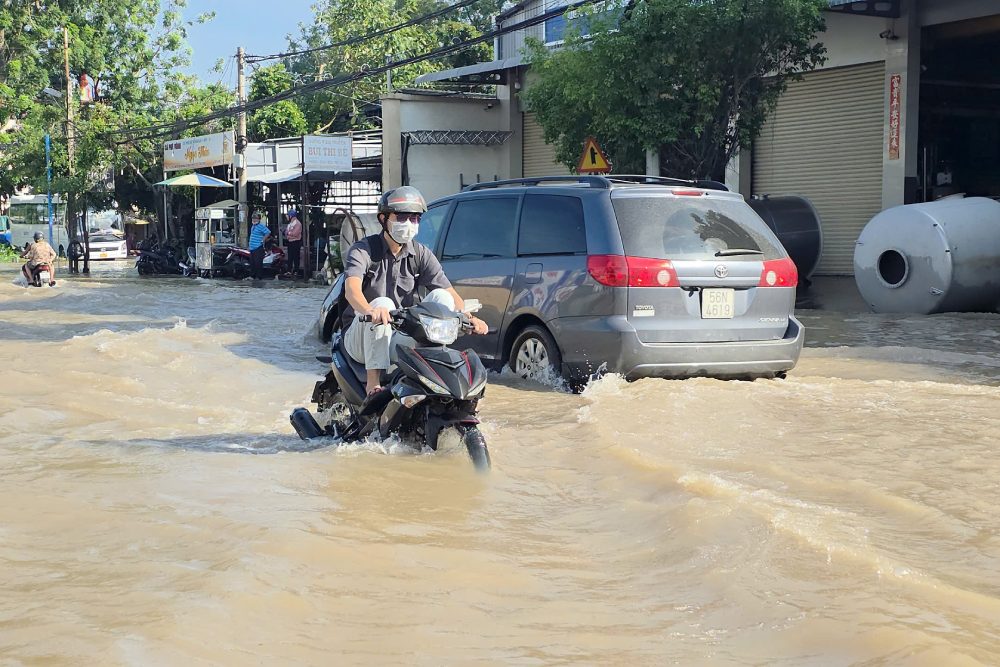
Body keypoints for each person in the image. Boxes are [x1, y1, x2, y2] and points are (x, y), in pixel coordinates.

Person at [342, 186, 488, 396]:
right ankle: (373, 383)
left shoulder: (420, 253)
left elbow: (448, 292)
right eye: (402, 217)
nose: (409, 224)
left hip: (398, 333)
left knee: (441, 298)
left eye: (415, 218)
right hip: (361, 336)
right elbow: (351, 291)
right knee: (383, 304)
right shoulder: (363, 250)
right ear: (383, 219)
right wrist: (369, 310)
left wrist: (468, 317)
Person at [248, 212, 271, 280]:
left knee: (258, 263)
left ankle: (259, 276)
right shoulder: (253, 226)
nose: (254, 220)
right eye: (253, 218)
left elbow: (268, 232)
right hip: (252, 247)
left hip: (258, 247)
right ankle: (253, 276)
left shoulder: (261, 226)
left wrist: (263, 239)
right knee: (252, 263)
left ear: (259, 219)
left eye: (256, 218)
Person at [284, 209, 302, 278]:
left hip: (296, 242)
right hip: (290, 242)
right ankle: (289, 270)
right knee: (290, 257)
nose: (287, 217)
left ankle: (296, 271)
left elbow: (295, 233)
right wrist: (288, 233)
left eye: (288, 215)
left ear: (291, 216)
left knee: (296, 257)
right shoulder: (290, 224)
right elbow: (286, 233)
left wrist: (288, 233)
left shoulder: (297, 223)